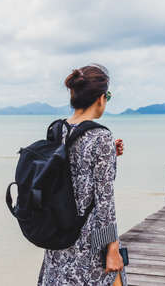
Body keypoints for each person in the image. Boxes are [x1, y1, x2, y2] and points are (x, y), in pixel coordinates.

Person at [37, 64, 127, 286]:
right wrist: (113, 249)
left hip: (60, 234)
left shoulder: (58, 130)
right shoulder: (101, 137)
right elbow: (104, 202)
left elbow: (70, 174)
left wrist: (109, 156)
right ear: (100, 98)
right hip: (91, 239)